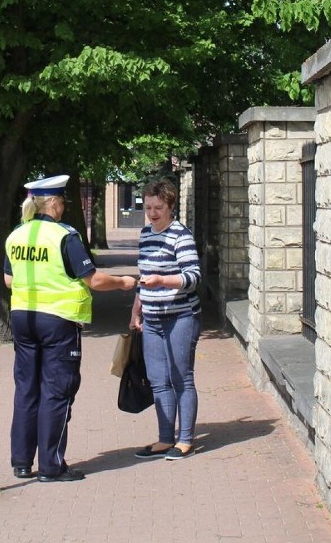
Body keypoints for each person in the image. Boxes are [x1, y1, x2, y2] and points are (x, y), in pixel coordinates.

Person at [4, 174, 137, 482]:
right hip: (58, 320)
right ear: (52, 202)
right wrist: (122, 283)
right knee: (56, 391)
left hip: (23, 318)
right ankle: (51, 466)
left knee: (26, 389)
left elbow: (9, 281)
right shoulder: (65, 236)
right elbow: (94, 280)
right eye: (62, 201)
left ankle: (22, 462)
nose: (64, 207)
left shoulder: (17, 234)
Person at [129, 179, 201, 461]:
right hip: (153, 318)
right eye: (148, 207)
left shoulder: (180, 236)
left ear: (171, 206)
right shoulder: (146, 234)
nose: (153, 212)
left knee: (181, 377)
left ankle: (185, 440)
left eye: (158, 207)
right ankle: (164, 438)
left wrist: (163, 281)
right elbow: (142, 277)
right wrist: (136, 309)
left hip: (181, 316)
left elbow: (192, 278)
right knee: (158, 380)